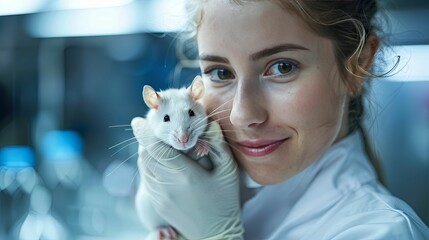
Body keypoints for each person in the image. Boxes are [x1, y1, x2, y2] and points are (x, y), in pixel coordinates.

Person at [132, 0, 429, 239]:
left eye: (283, 67)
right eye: (221, 73)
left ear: (357, 66)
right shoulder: (204, 202)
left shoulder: (383, 232)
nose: (242, 114)